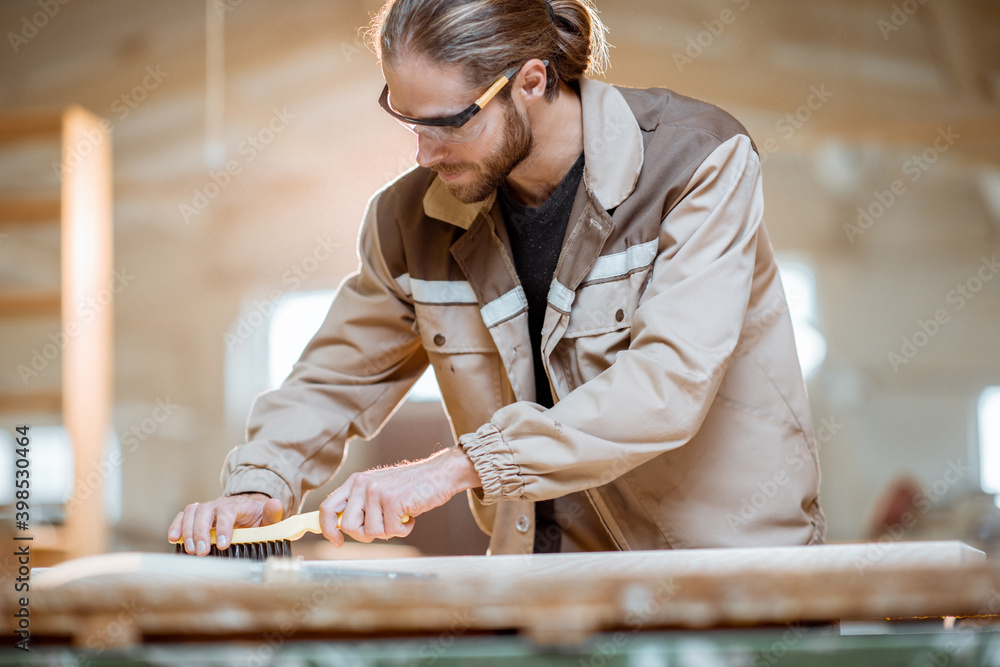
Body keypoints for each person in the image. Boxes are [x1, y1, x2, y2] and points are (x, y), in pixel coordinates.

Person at [169, 0, 825, 557]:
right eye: (408, 120)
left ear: (532, 80)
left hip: (727, 588)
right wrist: (261, 481)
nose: (424, 154)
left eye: (449, 123)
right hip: (543, 592)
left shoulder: (697, 163)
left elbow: (667, 383)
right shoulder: (410, 218)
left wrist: (458, 467)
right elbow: (335, 377)